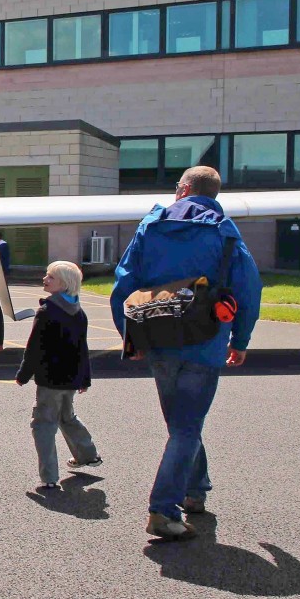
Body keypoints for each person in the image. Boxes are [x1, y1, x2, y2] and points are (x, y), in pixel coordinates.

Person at [110, 166, 261, 542]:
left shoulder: (152, 224)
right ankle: (164, 509)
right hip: (205, 343)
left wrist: (130, 338)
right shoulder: (224, 230)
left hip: (158, 338)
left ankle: (197, 491)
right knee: (187, 426)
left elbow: (123, 284)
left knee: (182, 424)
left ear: (185, 189)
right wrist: (240, 341)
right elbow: (249, 289)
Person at [16, 261, 101, 489]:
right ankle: (88, 455)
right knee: (67, 417)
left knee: (43, 424)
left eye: (50, 277)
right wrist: (84, 378)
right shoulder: (78, 312)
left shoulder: (48, 311)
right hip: (71, 378)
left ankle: (49, 476)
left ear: (63, 283)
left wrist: (24, 374)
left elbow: (34, 347)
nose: (45, 279)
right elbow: (82, 348)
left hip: (50, 378)